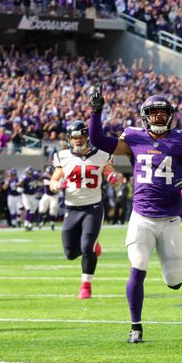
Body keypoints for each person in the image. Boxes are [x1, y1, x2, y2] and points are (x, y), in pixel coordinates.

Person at [89, 87, 182, 344]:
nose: (157, 117)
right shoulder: (133, 139)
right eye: (153, 113)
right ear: (145, 116)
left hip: (169, 219)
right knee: (138, 267)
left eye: (161, 113)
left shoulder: (180, 141)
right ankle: (136, 326)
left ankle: (170, 276)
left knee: (175, 281)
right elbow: (98, 140)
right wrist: (96, 112)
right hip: (141, 217)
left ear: (170, 116)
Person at [49, 120, 120, 299]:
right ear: (69, 139)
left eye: (80, 137)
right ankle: (92, 246)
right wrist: (58, 185)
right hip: (71, 208)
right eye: (74, 138)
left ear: (87, 137)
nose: (77, 141)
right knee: (70, 253)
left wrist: (114, 178)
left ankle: (86, 285)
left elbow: (114, 175)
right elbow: (53, 182)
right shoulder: (63, 156)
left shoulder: (101, 155)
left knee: (87, 247)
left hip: (93, 207)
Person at [39, 165, 61, 230]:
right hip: (46, 194)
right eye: (48, 173)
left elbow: (55, 186)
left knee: (53, 210)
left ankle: (52, 224)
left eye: (50, 173)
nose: (49, 174)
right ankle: (44, 218)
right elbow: (46, 185)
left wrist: (51, 179)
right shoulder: (45, 176)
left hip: (54, 195)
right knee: (41, 209)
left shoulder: (56, 176)